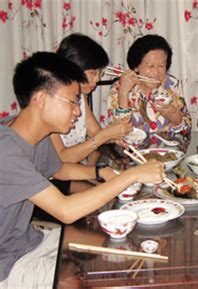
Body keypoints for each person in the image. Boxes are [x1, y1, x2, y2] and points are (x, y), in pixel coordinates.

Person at [0, 52, 165, 288]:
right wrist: (133, 174)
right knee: (99, 278)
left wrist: (101, 173)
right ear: (41, 100)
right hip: (7, 264)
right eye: (72, 102)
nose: (78, 112)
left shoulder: (34, 135)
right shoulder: (5, 152)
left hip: (29, 241)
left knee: (113, 248)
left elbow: (58, 170)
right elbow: (65, 211)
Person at [52, 33, 133, 192]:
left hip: (75, 171)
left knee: (119, 187)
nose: (97, 79)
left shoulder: (81, 96)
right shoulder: (51, 104)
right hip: (49, 180)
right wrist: (104, 136)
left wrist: (113, 138)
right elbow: (61, 159)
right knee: (106, 197)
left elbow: (95, 132)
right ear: (73, 69)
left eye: (100, 73)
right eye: (93, 73)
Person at [107, 34, 191, 144]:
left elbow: (187, 129)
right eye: (150, 66)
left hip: (167, 152)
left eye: (161, 66)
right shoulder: (119, 87)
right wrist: (123, 94)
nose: (156, 72)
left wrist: (175, 117)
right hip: (133, 154)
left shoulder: (171, 85)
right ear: (136, 66)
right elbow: (115, 134)